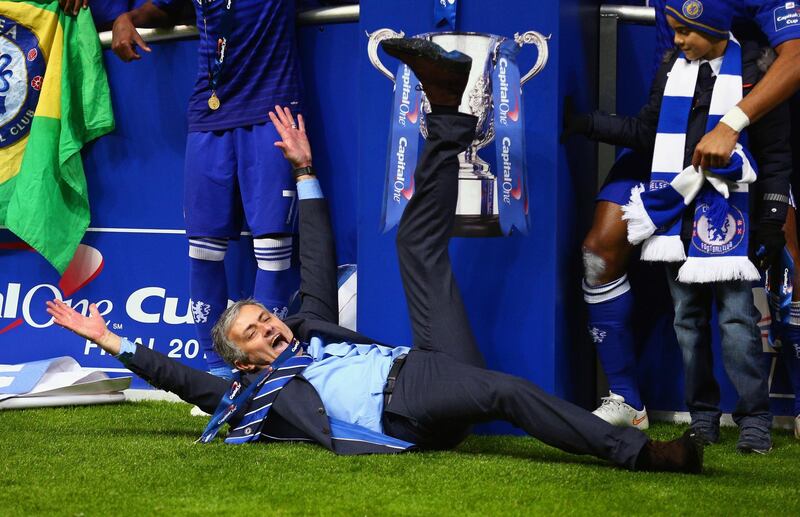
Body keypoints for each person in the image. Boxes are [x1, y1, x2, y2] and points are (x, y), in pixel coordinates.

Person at [47, 39, 705, 473]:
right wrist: (107, 338)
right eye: (253, 328)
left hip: (421, 367)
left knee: (416, 246)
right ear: (243, 357)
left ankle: (447, 108)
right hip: (403, 404)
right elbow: (183, 379)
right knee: (506, 391)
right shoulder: (258, 394)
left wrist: (305, 172)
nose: (269, 323)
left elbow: (315, 262)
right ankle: (643, 453)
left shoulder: (306, 330)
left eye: (261, 316)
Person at [564, 1, 792, 453]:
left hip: (730, 222)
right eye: (673, 31)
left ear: (710, 26)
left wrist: (768, 221)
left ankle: (755, 417)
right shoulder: (672, 68)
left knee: (737, 322)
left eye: (684, 32)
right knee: (686, 322)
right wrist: (588, 124)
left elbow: (777, 153)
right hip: (675, 217)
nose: (677, 41)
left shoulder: (756, 70)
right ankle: (702, 415)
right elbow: (648, 132)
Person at [109, 0, 303, 379]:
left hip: (271, 110)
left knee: (273, 250)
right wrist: (126, 17)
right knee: (203, 250)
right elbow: (166, 9)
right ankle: (216, 374)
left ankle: (267, 374)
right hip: (208, 114)